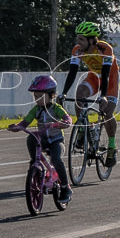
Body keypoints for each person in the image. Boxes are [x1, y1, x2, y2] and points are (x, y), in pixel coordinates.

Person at [57, 21, 120, 167]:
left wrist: (103, 96)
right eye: (77, 38)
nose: (77, 42)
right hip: (94, 76)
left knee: (107, 112)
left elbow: (105, 75)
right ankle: (82, 129)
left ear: (92, 40)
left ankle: (112, 146)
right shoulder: (77, 50)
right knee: (80, 93)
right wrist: (64, 93)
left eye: (81, 39)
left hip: (110, 79)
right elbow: (72, 73)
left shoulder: (105, 49)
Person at [9, 75, 73, 203]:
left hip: (56, 140)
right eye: (35, 96)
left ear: (51, 95)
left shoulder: (56, 108)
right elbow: (25, 122)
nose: (37, 100)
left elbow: (67, 118)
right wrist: (17, 127)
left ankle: (66, 188)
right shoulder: (36, 110)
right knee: (31, 138)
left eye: (40, 96)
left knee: (56, 159)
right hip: (42, 140)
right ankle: (35, 163)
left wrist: (64, 123)